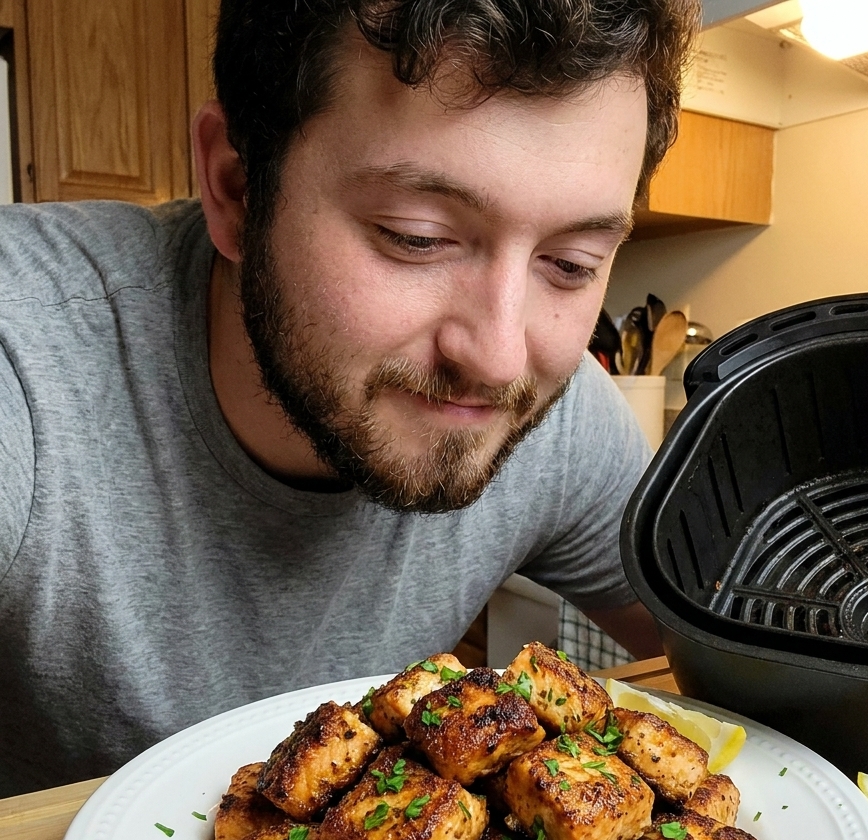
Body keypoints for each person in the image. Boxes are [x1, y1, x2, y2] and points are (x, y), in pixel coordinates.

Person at [0, 0, 700, 796]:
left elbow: (740, 650)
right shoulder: (25, 350)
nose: (500, 358)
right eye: (416, 237)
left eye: (570, 264)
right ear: (236, 187)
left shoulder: (559, 415)